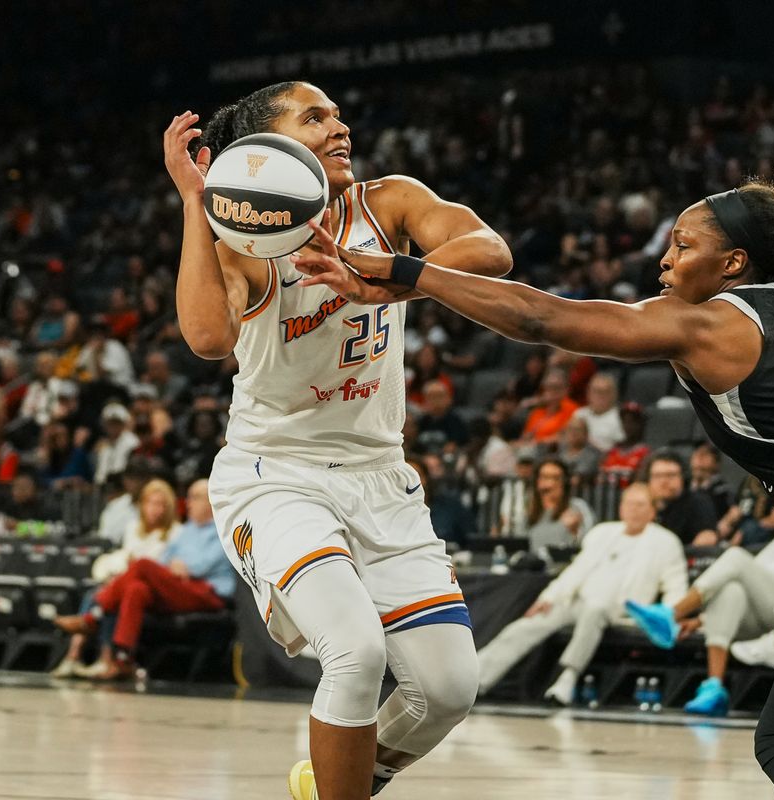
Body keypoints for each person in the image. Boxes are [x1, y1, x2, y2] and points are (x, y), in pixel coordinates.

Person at [295, 139, 774, 800]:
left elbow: (543, 320)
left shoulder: (709, 322)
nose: (665, 261)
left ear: (733, 264)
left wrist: (407, 270)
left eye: (683, 246)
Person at [163, 80, 512, 800]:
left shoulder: (387, 202)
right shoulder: (242, 244)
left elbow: (491, 251)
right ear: (267, 147)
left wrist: (390, 280)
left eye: (340, 115)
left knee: (447, 689)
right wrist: (197, 202)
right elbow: (206, 338)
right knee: (354, 651)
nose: (341, 126)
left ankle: (330, 782)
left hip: (381, 475)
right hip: (277, 475)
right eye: (315, 117)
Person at [475, 483, 687, 705]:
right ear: (621, 508)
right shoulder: (603, 533)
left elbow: (675, 585)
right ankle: (479, 677)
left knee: (595, 610)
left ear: (652, 511)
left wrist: (671, 615)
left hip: (620, 608)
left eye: (640, 505)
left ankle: (568, 678)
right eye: (629, 504)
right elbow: (575, 570)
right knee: (528, 625)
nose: (634, 510)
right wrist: (548, 597)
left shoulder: (666, 542)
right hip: (576, 600)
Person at [626, 517, 774, 715]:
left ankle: (672, 613)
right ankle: (714, 687)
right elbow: (759, 574)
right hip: (769, 607)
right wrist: (700, 621)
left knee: (735, 558)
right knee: (731, 591)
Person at [53, 479, 237, 679]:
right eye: (189, 497)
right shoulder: (187, 530)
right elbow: (165, 561)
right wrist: (173, 567)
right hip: (178, 588)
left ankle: (94, 616)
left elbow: (203, 566)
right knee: (136, 588)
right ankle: (122, 660)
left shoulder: (225, 529)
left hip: (208, 593)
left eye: (195, 498)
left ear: (212, 500)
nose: (189, 503)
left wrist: (181, 566)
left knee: (142, 565)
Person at [644, 451, 720, 546]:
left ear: (683, 477)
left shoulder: (698, 502)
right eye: (657, 476)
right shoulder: (642, 504)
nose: (664, 481)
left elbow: (708, 538)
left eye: (670, 475)